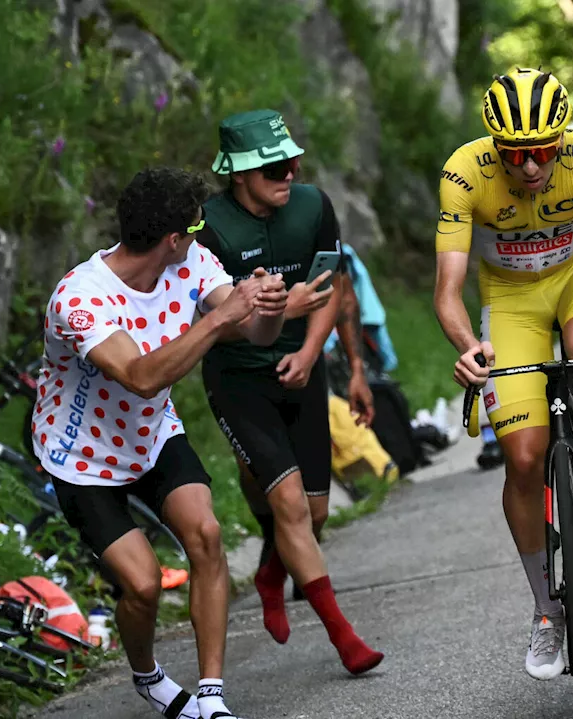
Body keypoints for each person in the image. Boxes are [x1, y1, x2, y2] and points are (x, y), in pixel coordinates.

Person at [33, 166, 289, 719]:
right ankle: (147, 676)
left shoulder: (192, 261)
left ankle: (212, 696)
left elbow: (249, 328)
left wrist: (266, 307)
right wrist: (219, 319)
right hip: (82, 457)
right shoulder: (79, 299)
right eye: (194, 229)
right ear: (171, 238)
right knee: (144, 585)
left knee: (208, 534)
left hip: (149, 434)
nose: (200, 239)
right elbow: (142, 376)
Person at [434, 67, 573, 681]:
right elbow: (448, 290)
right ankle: (545, 611)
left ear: (561, 138)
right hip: (507, 299)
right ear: (495, 148)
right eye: (516, 154)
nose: (531, 166)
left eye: (542, 151)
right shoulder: (464, 172)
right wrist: (466, 346)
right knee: (524, 459)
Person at [195, 109, 385, 676]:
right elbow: (209, 320)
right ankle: (346, 641)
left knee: (317, 513)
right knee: (289, 506)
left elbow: (334, 286)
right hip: (239, 379)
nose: (291, 173)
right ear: (239, 174)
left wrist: (322, 357)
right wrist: (274, 314)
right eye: (276, 167)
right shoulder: (209, 225)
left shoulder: (312, 205)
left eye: (294, 162)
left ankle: (270, 572)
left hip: (303, 368)